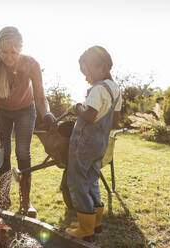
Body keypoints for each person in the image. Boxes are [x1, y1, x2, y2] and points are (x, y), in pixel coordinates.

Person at [0, 26, 56, 218]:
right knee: (3, 152)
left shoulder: (31, 63)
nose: (9, 56)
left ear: (20, 49)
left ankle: (26, 201)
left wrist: (47, 114)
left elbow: (40, 97)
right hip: (3, 112)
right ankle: (3, 198)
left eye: (13, 52)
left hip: (26, 110)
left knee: (22, 151)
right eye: (4, 51)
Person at [65, 46, 122, 242]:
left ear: (102, 67)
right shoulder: (116, 90)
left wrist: (77, 107)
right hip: (100, 144)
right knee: (91, 179)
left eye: (87, 71)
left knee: (78, 181)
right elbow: (113, 120)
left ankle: (85, 229)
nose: (86, 76)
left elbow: (89, 116)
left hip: (84, 144)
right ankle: (94, 223)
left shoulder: (98, 89)